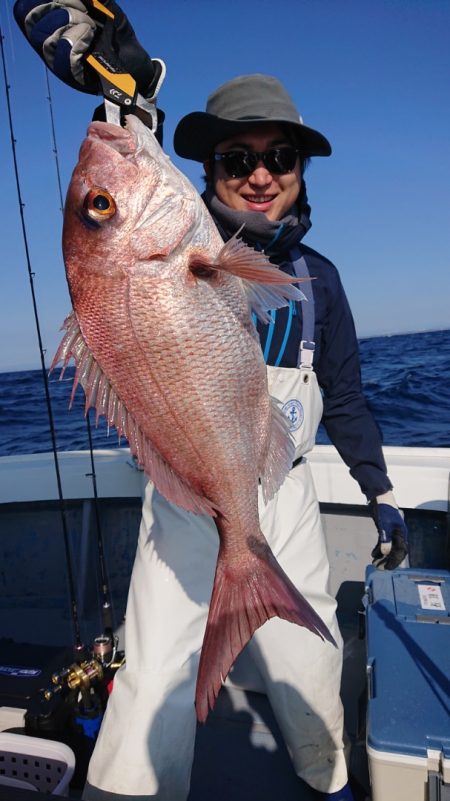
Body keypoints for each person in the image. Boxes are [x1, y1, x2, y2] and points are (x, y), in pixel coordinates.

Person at [14, 3, 409, 800]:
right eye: (237, 158)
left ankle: (325, 775)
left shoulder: (319, 280)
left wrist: (382, 492)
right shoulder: (187, 250)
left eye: (280, 157)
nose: (260, 174)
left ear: (300, 169)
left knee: (312, 657)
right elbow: (124, 184)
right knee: (156, 669)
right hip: (185, 497)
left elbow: (349, 398)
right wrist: (122, 108)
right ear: (205, 171)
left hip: (284, 492)